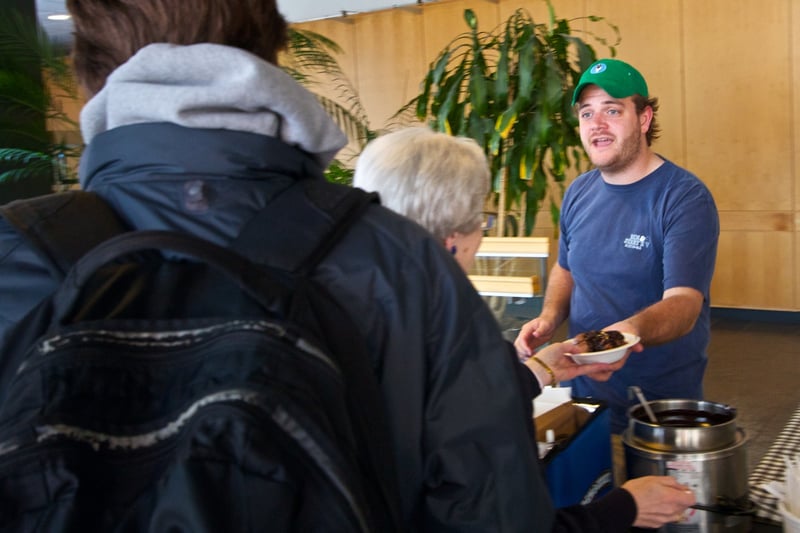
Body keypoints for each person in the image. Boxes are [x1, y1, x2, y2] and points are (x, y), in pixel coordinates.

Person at [0, 1, 693, 527]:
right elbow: (488, 509)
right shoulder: (398, 263)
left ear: (83, 73)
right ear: (274, 49)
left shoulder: (17, 260)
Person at [354, 125, 696, 530]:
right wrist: (626, 507)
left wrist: (543, 369)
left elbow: (454, 407)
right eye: (480, 220)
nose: (480, 236)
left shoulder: (354, 317)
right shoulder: (451, 338)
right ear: (450, 240)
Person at [514, 58, 720, 434]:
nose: (597, 124)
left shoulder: (684, 198)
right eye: (587, 113)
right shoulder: (579, 191)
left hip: (658, 405)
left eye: (612, 110)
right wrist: (548, 319)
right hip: (586, 395)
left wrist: (623, 334)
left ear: (644, 119)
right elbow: (567, 267)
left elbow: (685, 304)